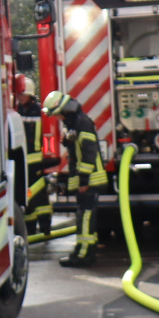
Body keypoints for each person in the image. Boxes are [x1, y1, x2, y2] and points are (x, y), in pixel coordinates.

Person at [44, 90, 108, 268]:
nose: (57, 118)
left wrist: (84, 181)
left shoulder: (82, 123)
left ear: (64, 110)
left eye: (57, 115)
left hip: (91, 179)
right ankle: (86, 249)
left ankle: (83, 255)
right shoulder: (76, 123)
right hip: (87, 178)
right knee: (84, 216)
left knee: (85, 217)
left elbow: (89, 153)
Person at [13, 75, 53, 235]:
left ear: (30, 94)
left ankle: (45, 226)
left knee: (39, 196)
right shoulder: (16, 111)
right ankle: (29, 228)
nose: (20, 97)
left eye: (23, 94)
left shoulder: (39, 111)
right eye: (19, 94)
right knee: (25, 194)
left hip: (36, 160)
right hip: (22, 161)